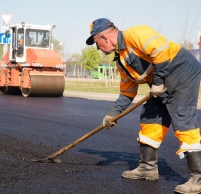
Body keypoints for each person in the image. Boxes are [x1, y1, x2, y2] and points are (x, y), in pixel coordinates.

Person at [86, 18, 201, 194]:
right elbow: (127, 92)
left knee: (183, 118)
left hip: (183, 73)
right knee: (150, 117)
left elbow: (160, 51)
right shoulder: (121, 60)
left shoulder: (135, 34)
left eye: (96, 43)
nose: (98, 48)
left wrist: (157, 81)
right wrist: (112, 114)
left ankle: (198, 179)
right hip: (161, 83)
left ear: (105, 38)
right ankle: (147, 168)